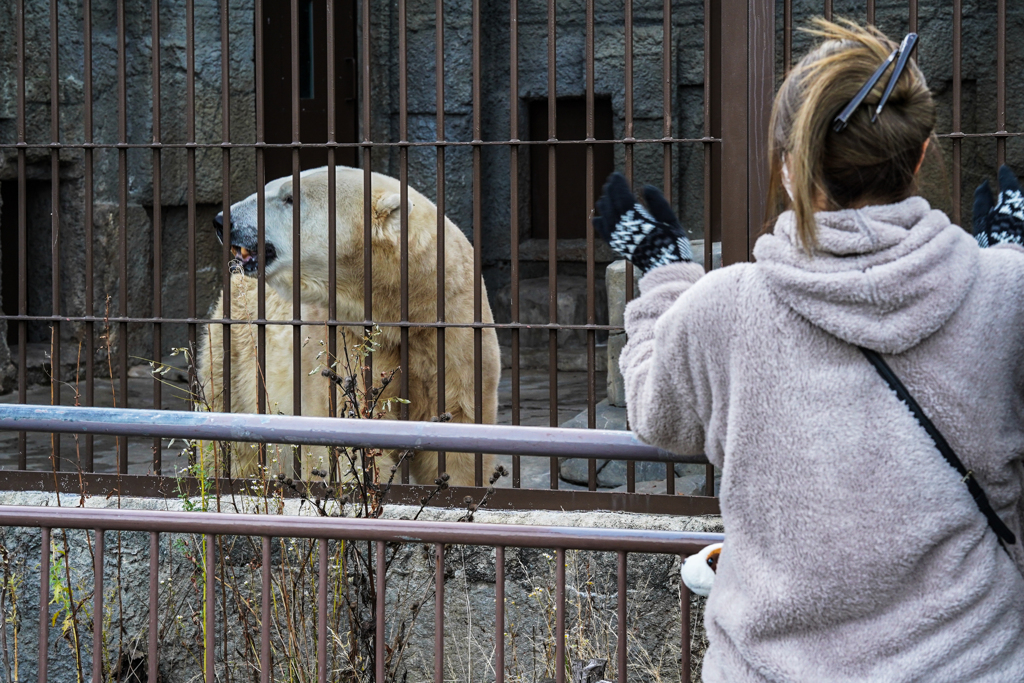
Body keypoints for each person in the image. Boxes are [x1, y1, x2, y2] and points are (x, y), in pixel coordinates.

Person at [592, 18, 1024, 682]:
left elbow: (656, 410)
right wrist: (1007, 256)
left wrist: (664, 272)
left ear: (790, 167)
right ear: (920, 155)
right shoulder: (1008, 295)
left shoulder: (724, 308)